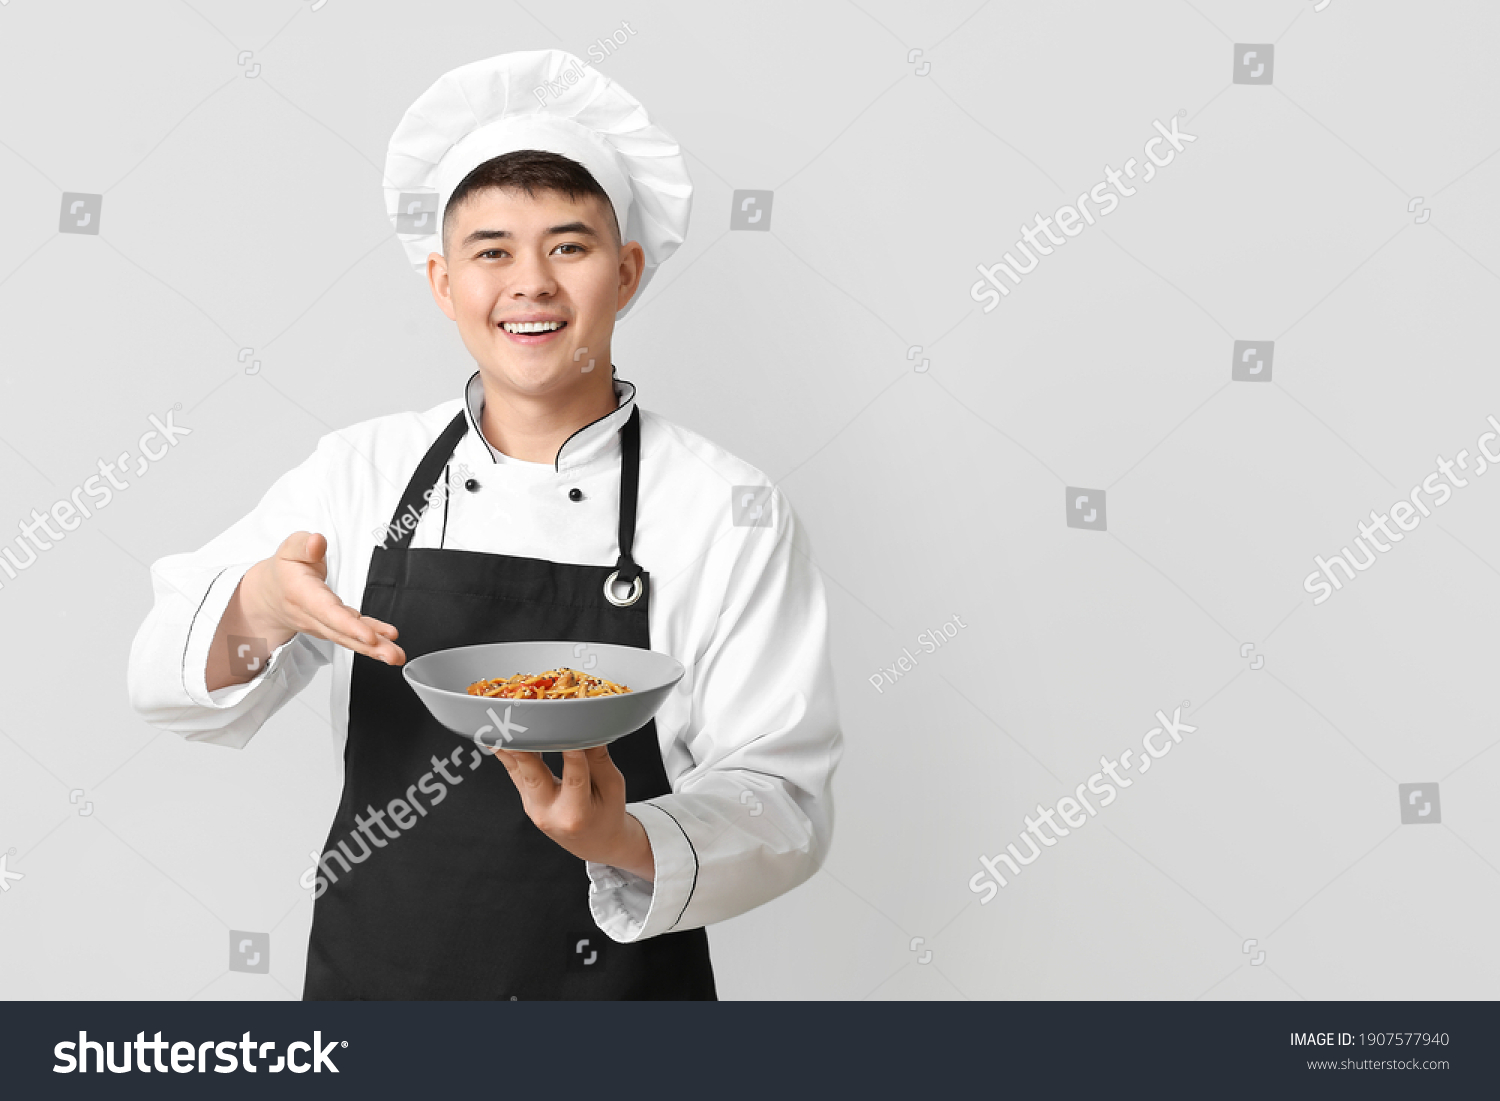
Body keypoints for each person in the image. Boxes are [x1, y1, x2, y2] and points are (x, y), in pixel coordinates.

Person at [126, 50, 843, 1000]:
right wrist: (260, 605)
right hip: (378, 982)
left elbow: (785, 799)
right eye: (492, 250)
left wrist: (619, 838)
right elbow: (161, 685)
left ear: (625, 271)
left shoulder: (724, 505)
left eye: (570, 246)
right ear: (443, 280)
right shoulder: (361, 471)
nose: (531, 283)